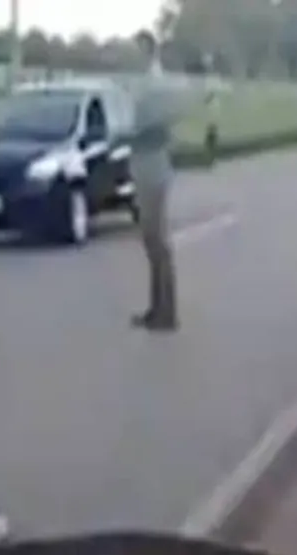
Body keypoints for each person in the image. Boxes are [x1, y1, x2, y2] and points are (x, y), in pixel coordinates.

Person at [128, 29, 181, 332]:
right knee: (151, 239)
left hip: (153, 168)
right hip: (145, 166)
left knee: (157, 239)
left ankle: (167, 312)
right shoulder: (145, 84)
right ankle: (157, 308)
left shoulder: (155, 85)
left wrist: (130, 135)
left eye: (136, 51)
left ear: (148, 51)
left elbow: (158, 129)